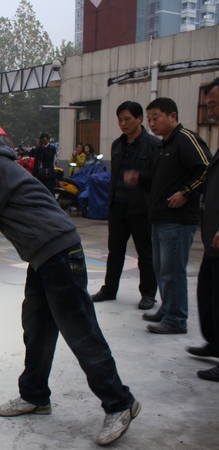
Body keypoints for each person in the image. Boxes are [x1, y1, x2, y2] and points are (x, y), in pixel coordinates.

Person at [0, 117, 138, 446]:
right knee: (37, 327)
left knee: (80, 332)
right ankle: (35, 396)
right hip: (44, 256)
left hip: (58, 253)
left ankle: (120, 403)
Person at [125, 98, 212, 334]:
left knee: (173, 270)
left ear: (172, 116)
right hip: (160, 217)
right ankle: (168, 309)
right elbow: (155, 180)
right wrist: (139, 178)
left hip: (178, 219)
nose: (152, 123)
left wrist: (185, 193)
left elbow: (207, 169)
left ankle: (176, 319)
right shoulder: (164, 146)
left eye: (156, 118)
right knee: (162, 268)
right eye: (150, 119)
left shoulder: (186, 139)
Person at [91, 102, 159, 310]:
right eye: (120, 119)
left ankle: (148, 294)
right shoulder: (117, 145)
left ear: (139, 119)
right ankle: (109, 289)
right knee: (115, 251)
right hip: (118, 205)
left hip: (140, 207)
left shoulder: (154, 145)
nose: (123, 123)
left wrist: (140, 178)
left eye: (127, 119)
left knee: (145, 253)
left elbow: (158, 178)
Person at [186, 78, 219, 381]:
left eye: (214, 105)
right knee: (208, 292)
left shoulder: (188, 141)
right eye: (208, 105)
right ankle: (214, 341)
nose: (211, 111)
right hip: (211, 237)